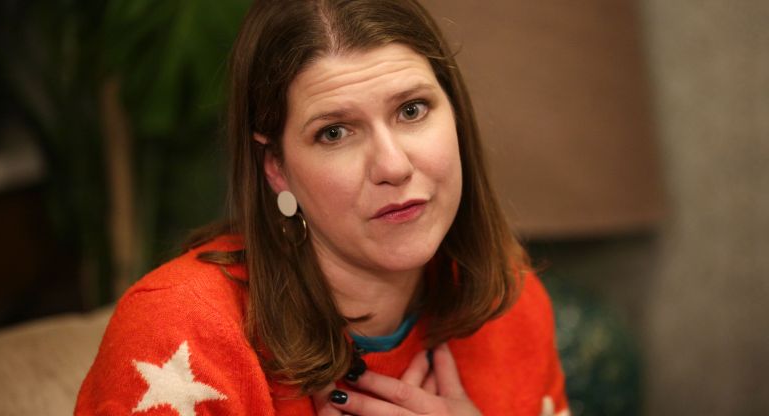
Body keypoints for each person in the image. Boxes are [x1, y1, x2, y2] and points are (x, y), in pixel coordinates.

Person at [76, 0, 569, 415]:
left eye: (412, 110)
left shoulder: (514, 303)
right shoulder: (180, 331)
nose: (392, 166)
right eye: (334, 132)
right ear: (277, 168)